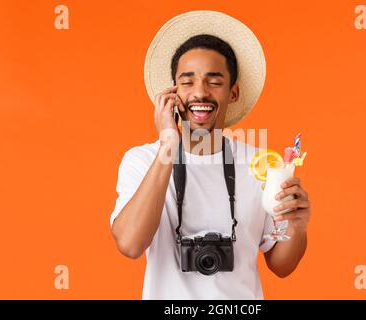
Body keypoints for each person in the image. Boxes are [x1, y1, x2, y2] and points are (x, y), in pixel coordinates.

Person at [110, 10, 311, 299]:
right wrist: (168, 145)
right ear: (171, 92)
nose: (200, 93)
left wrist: (297, 225)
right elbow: (130, 244)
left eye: (214, 81)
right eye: (187, 81)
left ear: (233, 92)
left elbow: (282, 265)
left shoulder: (261, 165)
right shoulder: (141, 161)